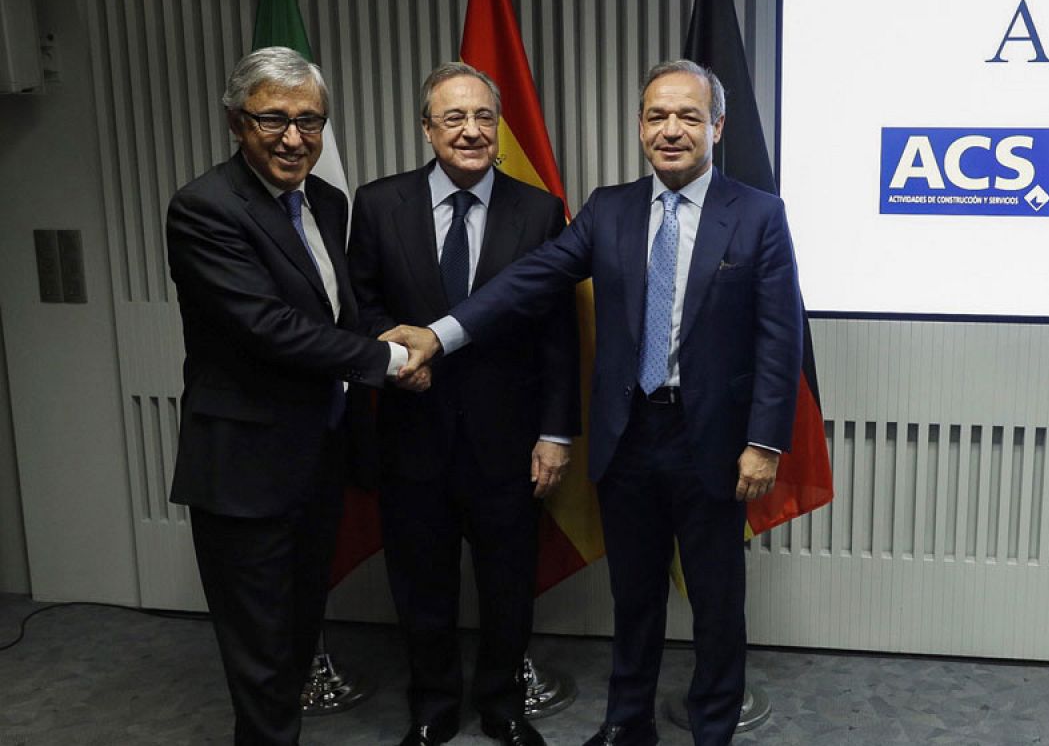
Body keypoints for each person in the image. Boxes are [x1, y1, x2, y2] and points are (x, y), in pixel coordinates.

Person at [384, 59, 804, 746]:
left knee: (717, 601)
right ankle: (626, 720)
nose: (671, 131)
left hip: (716, 443)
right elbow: (530, 280)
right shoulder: (608, 209)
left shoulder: (757, 215)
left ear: (717, 127)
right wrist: (439, 333)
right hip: (627, 435)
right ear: (640, 125)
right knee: (632, 595)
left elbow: (780, 339)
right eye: (656, 116)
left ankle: (712, 725)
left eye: (688, 117)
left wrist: (764, 442)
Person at [165, 46, 422, 746]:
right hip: (244, 469)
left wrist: (381, 333)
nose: (292, 138)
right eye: (272, 119)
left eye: (310, 122)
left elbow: (330, 314)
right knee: (261, 658)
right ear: (235, 121)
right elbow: (267, 329)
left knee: (297, 635)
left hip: (316, 456)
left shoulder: (327, 200)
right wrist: (389, 357)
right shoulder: (204, 208)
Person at [346, 62, 580, 746]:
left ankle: (502, 704)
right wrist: (391, 363)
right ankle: (432, 705)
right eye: (454, 118)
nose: (472, 131)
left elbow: (558, 335)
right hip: (411, 431)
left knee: (509, 584)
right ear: (427, 129)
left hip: (508, 440)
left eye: (484, 117)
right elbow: (360, 307)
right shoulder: (379, 203)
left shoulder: (538, 211)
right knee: (421, 583)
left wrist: (556, 433)